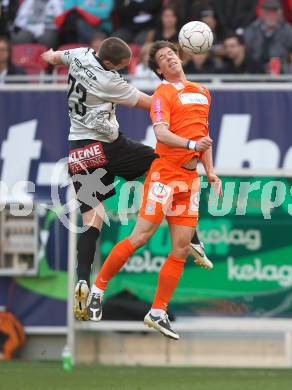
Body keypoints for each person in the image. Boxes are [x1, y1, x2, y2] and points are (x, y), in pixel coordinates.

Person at [41, 37, 213, 322]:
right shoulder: (111, 83)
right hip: (109, 146)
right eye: (121, 67)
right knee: (163, 166)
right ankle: (190, 235)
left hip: (78, 151)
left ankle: (83, 279)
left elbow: (54, 57)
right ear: (109, 63)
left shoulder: (80, 54)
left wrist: (48, 54)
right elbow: (151, 104)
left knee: (91, 220)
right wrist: (174, 97)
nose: (123, 71)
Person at [87, 40, 221, 340]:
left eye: (172, 53)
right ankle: (98, 288)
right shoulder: (162, 93)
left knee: (181, 248)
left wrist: (210, 172)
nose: (170, 58)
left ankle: (158, 311)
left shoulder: (202, 92)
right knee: (141, 237)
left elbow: (204, 136)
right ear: (159, 70)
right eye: (163, 57)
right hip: (165, 174)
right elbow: (161, 133)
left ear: (180, 56)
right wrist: (190, 145)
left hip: (190, 179)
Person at [244, 0, 292, 71]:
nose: (271, 15)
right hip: (256, 68)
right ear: (262, 14)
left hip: (281, 69)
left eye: (274, 12)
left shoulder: (287, 30)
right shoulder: (252, 30)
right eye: (268, 13)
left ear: (280, 14)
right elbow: (247, 52)